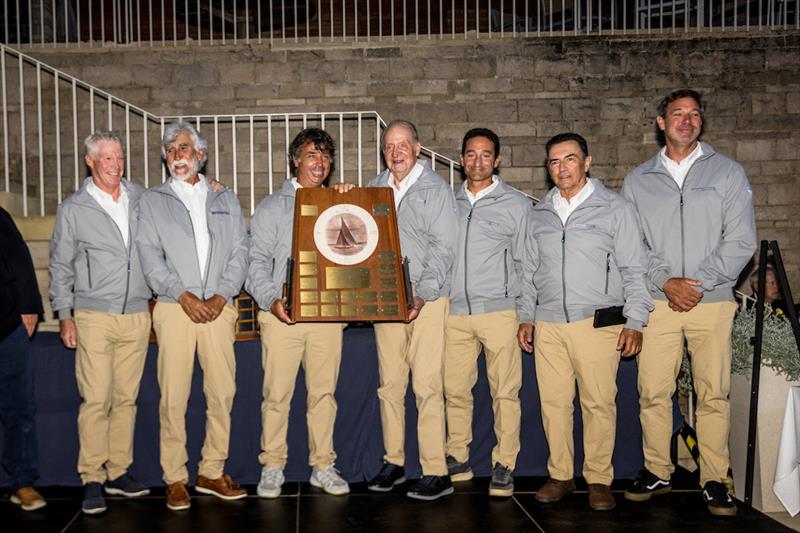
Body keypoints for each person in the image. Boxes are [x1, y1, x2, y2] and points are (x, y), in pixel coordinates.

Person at [621, 89, 757, 516]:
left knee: (712, 393)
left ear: (701, 122)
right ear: (660, 122)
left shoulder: (728, 173)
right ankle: (658, 468)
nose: (686, 120)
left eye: (694, 114)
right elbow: (631, 244)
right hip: (659, 302)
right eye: (677, 113)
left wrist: (697, 284)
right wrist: (665, 282)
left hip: (712, 301)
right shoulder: (637, 179)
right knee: (653, 391)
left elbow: (741, 241)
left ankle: (716, 477)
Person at [517, 132, 652, 511]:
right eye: (555, 161)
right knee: (554, 404)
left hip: (597, 323)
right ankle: (560, 474)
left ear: (587, 162)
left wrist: (636, 320)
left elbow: (634, 268)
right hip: (548, 324)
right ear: (548, 168)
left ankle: (598, 479)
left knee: (598, 403)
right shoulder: (538, 213)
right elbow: (528, 270)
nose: (562, 167)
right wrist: (526, 316)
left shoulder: (615, 208)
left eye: (570, 159)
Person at [136, 121, 249, 510]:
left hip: (219, 309)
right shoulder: (151, 201)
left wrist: (221, 296)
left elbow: (240, 252)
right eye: (170, 149)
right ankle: (175, 477)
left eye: (184, 148)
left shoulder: (224, 197)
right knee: (173, 397)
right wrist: (181, 295)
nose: (177, 155)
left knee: (222, 393)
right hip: (174, 309)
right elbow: (150, 258)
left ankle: (212, 470)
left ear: (200, 154)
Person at [49, 131, 152, 514]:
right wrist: (64, 315)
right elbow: (60, 266)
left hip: (137, 313)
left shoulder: (141, 198)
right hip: (93, 315)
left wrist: (210, 185)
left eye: (120, 158)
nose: (116, 165)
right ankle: (91, 475)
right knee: (96, 399)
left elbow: (178, 204)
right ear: (90, 161)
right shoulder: (74, 208)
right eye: (107, 158)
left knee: (126, 399)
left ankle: (118, 471)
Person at [246, 128, 349, 498]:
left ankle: (323, 464)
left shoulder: (340, 205)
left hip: (326, 317)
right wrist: (272, 300)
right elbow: (255, 262)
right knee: (277, 395)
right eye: (310, 155)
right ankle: (273, 465)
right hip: (281, 317)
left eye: (324, 155)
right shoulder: (273, 207)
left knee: (324, 395)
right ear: (295, 160)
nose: (318, 162)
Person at [364, 119, 458, 501]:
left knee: (426, 385)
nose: (396, 152)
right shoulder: (373, 188)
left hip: (427, 300)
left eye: (403, 145)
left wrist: (422, 294)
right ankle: (395, 462)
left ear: (418, 148)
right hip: (387, 299)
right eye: (389, 146)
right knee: (390, 385)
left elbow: (444, 249)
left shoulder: (436, 189)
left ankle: (436, 470)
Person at [444, 128, 530, 497]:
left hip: (500, 313)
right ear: (462, 159)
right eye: (471, 154)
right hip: (455, 314)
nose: (478, 161)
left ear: (497, 160)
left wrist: (526, 314)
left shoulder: (516, 204)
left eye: (486, 154)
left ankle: (505, 463)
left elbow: (528, 263)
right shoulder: (449, 203)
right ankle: (457, 457)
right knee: (455, 390)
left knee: (505, 392)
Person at [0, 207, 46, 512]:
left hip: (6, 326)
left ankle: (22, 482)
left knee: (19, 409)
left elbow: (19, 259)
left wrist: (29, 306)